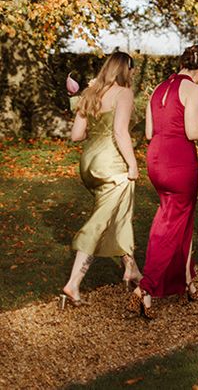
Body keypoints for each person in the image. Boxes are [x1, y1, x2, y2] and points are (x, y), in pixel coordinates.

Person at [130, 45, 198, 318]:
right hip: (179, 162)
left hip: (155, 159)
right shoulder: (192, 89)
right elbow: (192, 131)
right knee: (173, 224)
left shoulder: (158, 88)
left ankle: (188, 280)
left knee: (174, 218)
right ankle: (147, 287)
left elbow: (150, 131)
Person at [61, 51, 140, 307]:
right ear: (125, 70)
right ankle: (73, 284)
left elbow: (76, 135)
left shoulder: (91, 93)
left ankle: (132, 269)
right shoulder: (123, 93)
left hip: (89, 163)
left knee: (118, 213)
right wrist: (133, 163)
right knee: (99, 220)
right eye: (132, 69)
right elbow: (120, 132)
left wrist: (97, 133)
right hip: (112, 163)